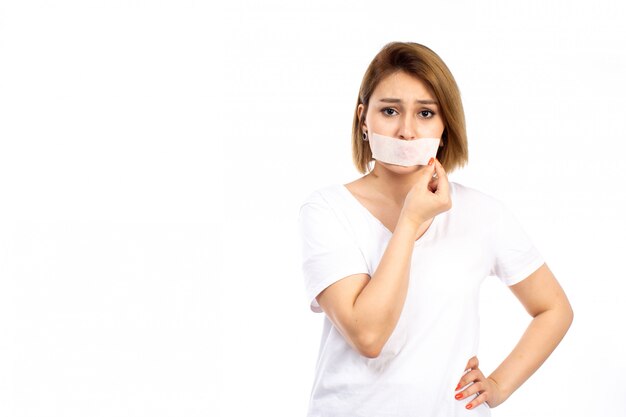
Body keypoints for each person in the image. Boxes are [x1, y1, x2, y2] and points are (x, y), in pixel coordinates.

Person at [297, 42, 574, 417]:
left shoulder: (483, 213)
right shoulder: (328, 210)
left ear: (445, 127)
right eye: (389, 110)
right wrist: (410, 220)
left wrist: (497, 386)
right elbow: (368, 335)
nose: (407, 131)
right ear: (364, 118)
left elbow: (554, 308)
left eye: (426, 113)